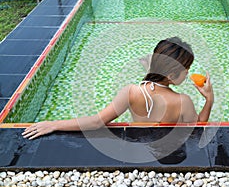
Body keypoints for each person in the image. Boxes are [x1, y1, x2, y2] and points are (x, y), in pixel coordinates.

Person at [22, 37, 214, 140]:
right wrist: (209, 100)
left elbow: (97, 122)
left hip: (137, 142)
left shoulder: (131, 91)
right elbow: (198, 127)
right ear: (171, 76)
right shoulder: (183, 102)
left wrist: (54, 124)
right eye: (186, 69)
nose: (188, 73)